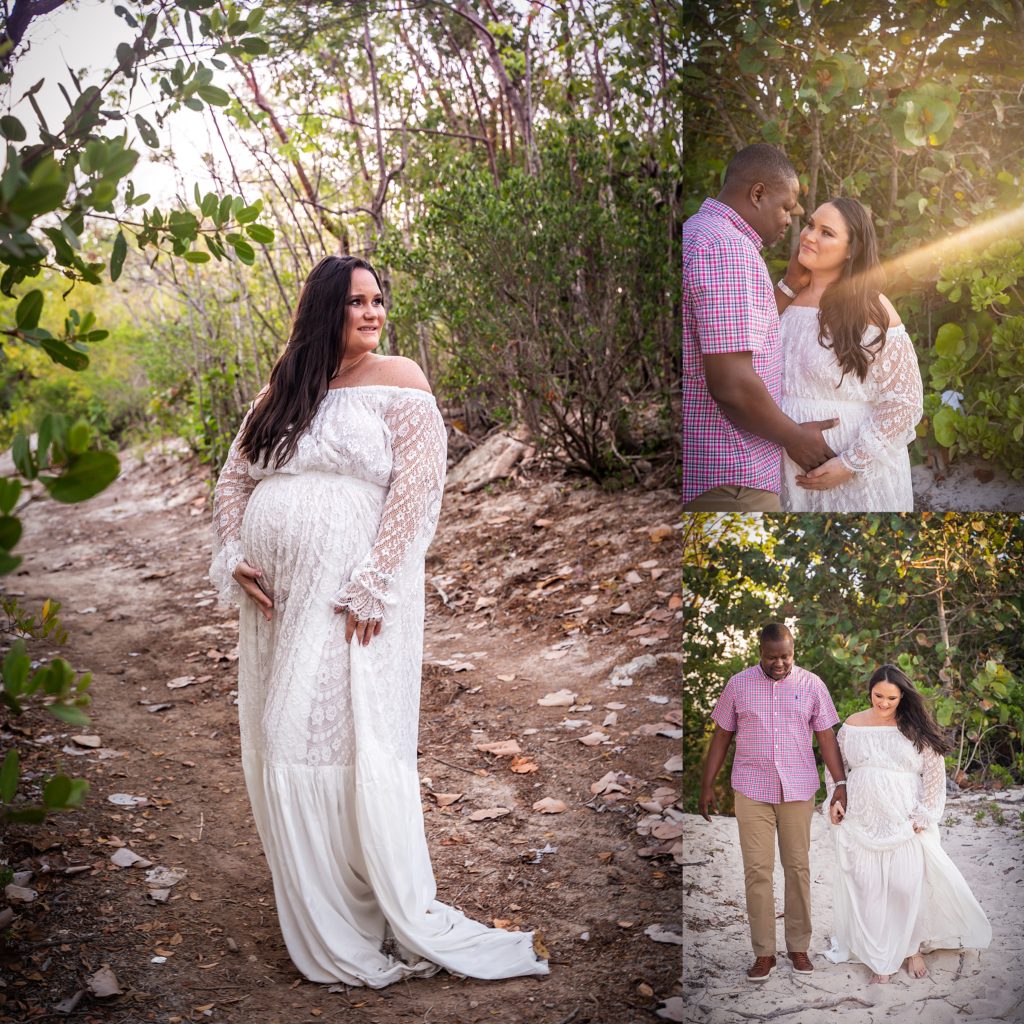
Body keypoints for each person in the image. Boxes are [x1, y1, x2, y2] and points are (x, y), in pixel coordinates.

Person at [210, 255, 548, 987]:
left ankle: (363, 908)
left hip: (352, 594)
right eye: (355, 302)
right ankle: (319, 902)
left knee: (336, 736)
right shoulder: (282, 390)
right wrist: (235, 550)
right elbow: (234, 478)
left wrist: (374, 581)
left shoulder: (402, 380)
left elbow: (420, 492)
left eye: (377, 300)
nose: (372, 312)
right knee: (281, 735)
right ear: (323, 310)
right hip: (279, 601)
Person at [682, 143, 839, 512]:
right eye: (786, 207)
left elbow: (736, 331)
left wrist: (787, 286)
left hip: (718, 475)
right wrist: (795, 438)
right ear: (757, 193)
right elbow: (732, 384)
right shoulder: (728, 249)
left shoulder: (699, 233)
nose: (790, 221)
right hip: (731, 477)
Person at [824, 665, 991, 983]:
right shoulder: (852, 725)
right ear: (869, 691)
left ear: (902, 696)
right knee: (868, 889)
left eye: (891, 698)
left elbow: (934, 772)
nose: (883, 703)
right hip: (861, 820)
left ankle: (911, 948)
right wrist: (835, 799)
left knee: (905, 886)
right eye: (878, 696)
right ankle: (879, 959)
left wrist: (926, 814)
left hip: (904, 820)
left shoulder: (913, 726)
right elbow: (837, 768)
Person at [699, 624, 847, 981]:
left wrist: (840, 782)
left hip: (798, 790)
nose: (779, 663)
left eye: (786, 656)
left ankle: (798, 947)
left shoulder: (812, 685)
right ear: (760, 653)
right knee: (757, 873)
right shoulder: (738, 684)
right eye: (772, 657)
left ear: (793, 651)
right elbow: (722, 735)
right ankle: (764, 953)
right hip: (751, 789)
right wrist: (707, 784)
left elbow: (826, 736)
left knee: (798, 868)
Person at [778, 197, 923, 511]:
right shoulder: (786, 298)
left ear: (850, 250)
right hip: (786, 459)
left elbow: (905, 401)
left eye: (826, 232)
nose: (809, 236)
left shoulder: (871, 307)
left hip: (849, 466)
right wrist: (788, 285)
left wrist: (850, 464)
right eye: (810, 225)